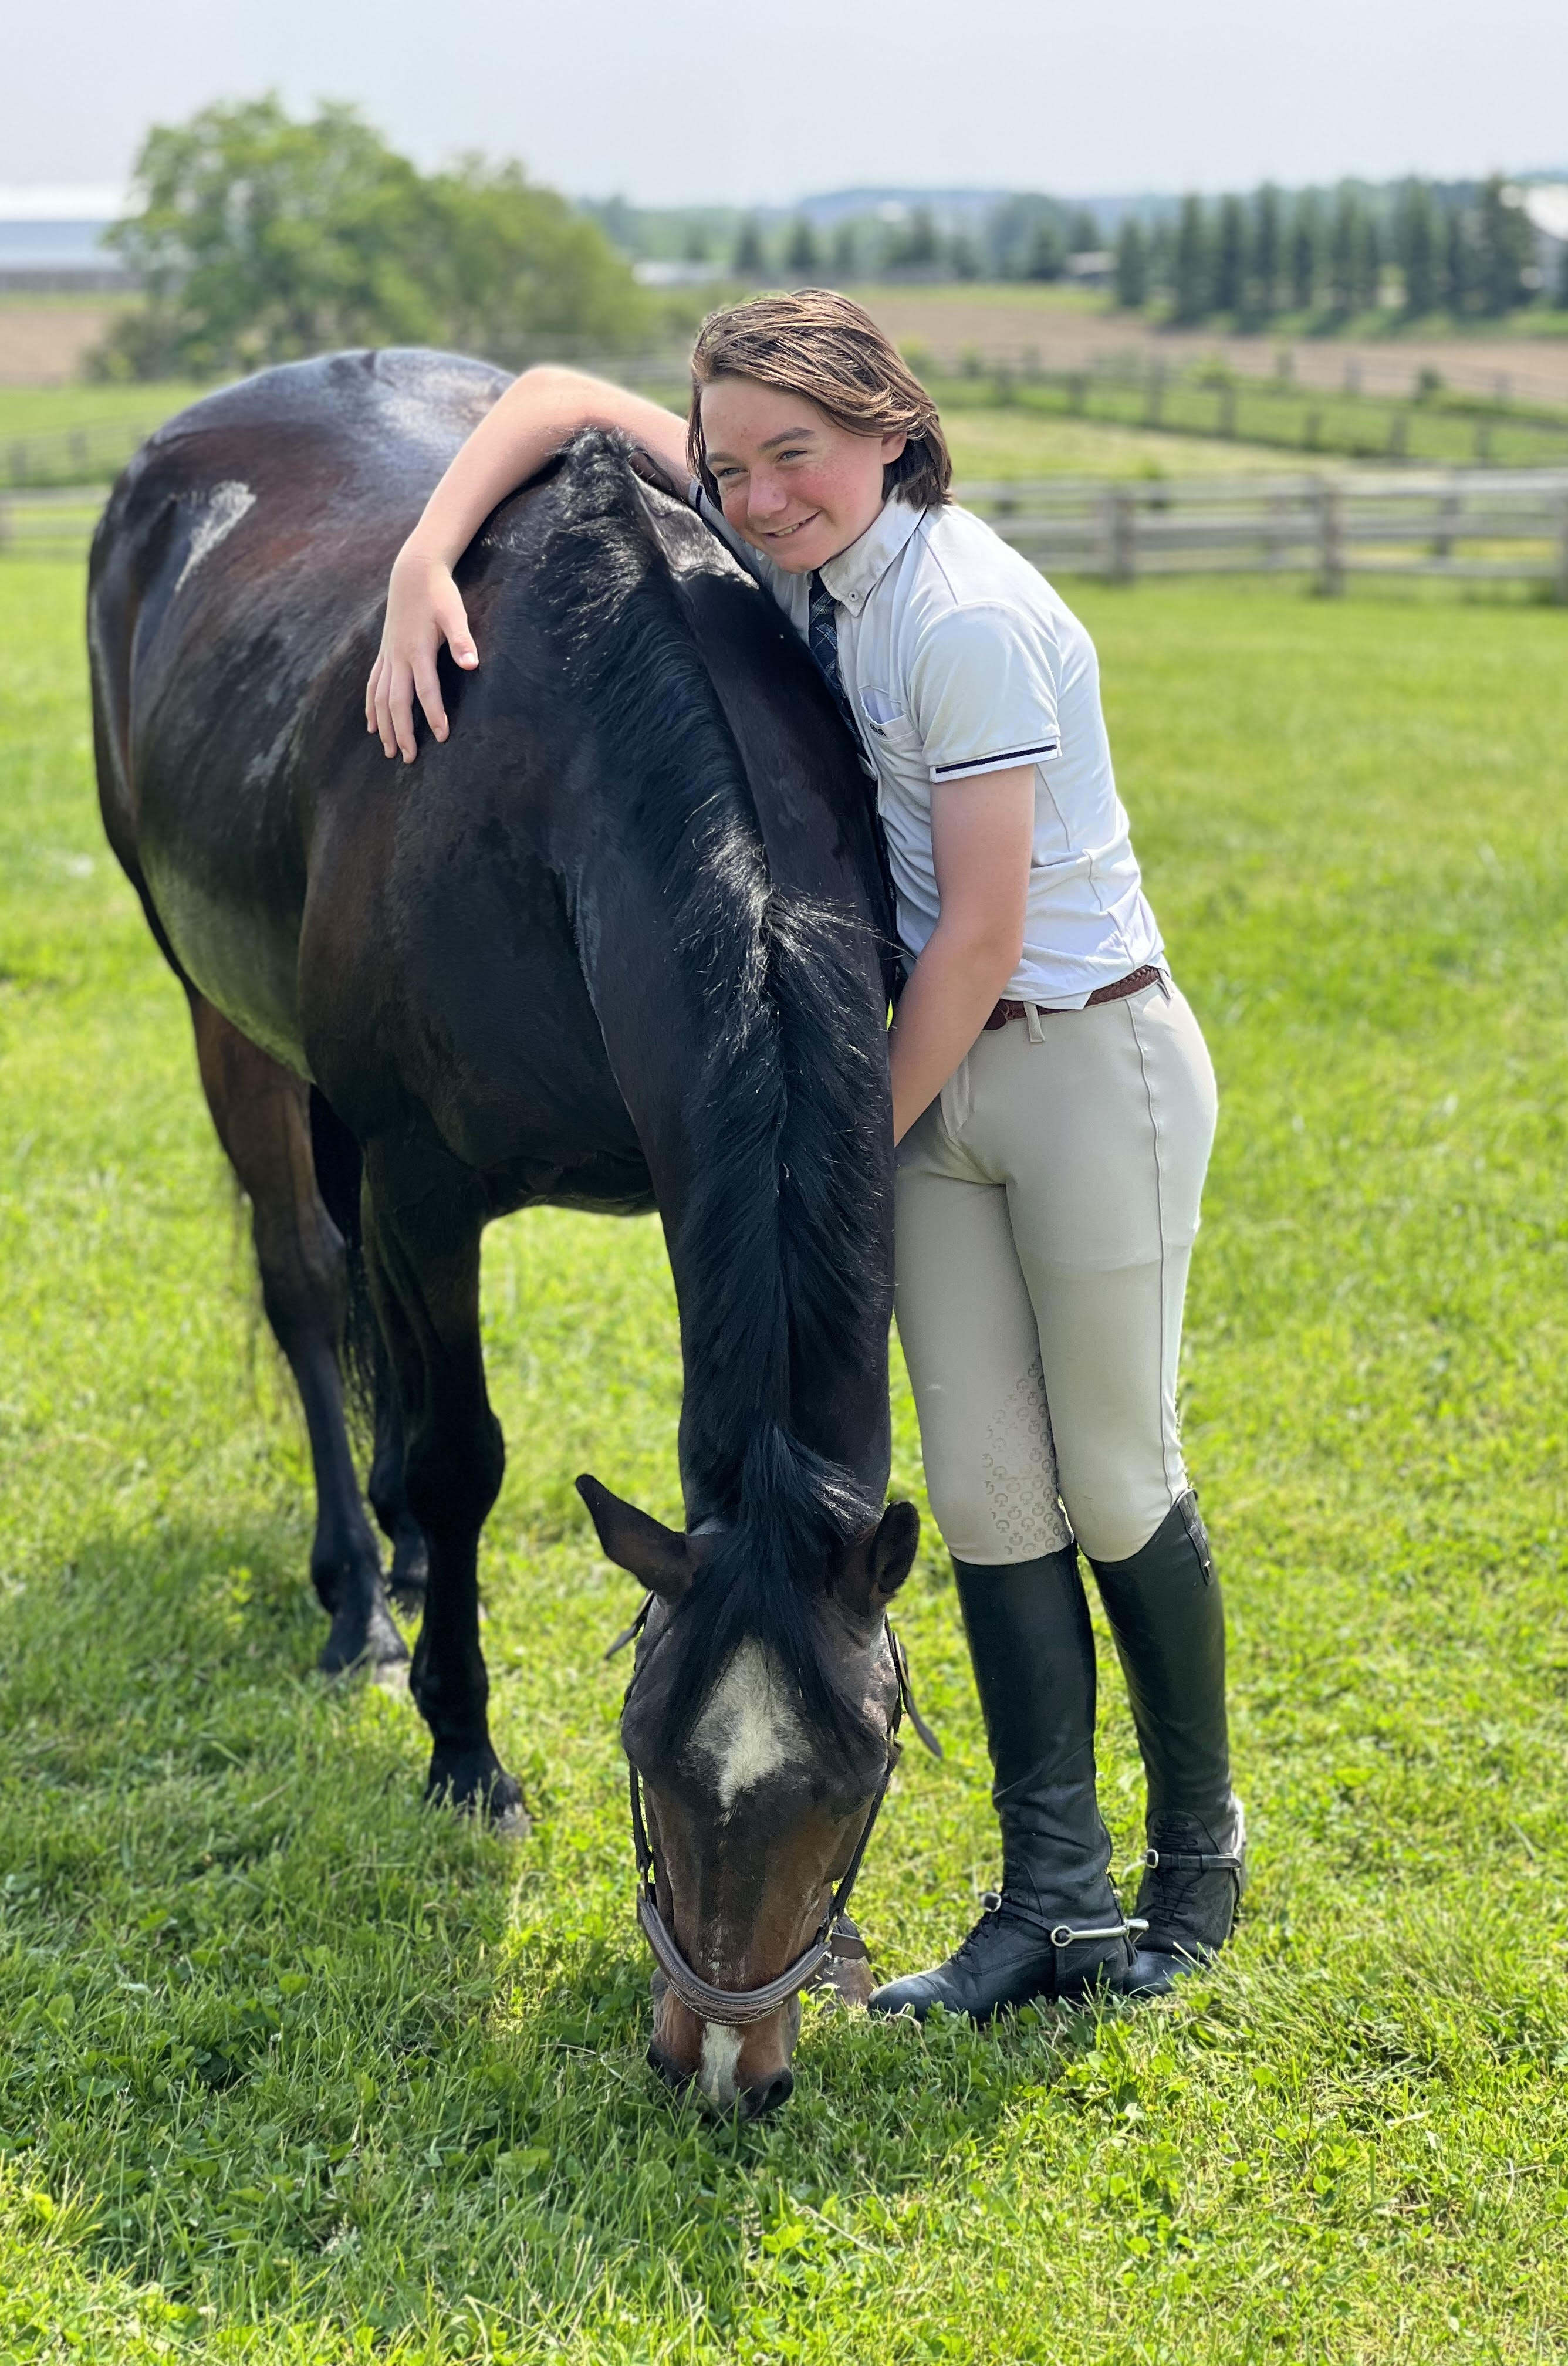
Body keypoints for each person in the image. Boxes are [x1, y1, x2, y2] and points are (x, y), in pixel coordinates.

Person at [366, 289, 1244, 2017]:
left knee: (1119, 1478)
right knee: (983, 1502)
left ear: (895, 433)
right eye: (732, 464)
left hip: (1075, 1068)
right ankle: (1049, 1903)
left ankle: (1195, 1863)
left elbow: (984, 937)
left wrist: (824, 1166)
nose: (759, 498)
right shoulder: (799, 571)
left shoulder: (964, 615)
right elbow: (551, 393)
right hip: (924, 1084)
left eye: (801, 457)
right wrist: (423, 554)